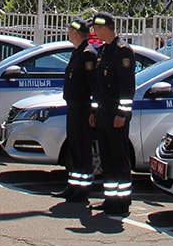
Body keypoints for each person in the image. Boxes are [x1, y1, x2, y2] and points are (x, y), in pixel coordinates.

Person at [89, 12, 135, 216]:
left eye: (97, 29)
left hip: (116, 115)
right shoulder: (103, 51)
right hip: (103, 114)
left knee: (118, 158)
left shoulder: (122, 51)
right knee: (107, 158)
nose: (95, 32)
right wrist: (93, 111)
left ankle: (122, 201)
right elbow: (99, 87)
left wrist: (122, 114)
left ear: (105, 28)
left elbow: (127, 89)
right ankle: (110, 198)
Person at [54, 18, 97, 202]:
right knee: (74, 149)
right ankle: (73, 185)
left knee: (82, 149)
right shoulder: (77, 52)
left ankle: (83, 189)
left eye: (70, 30)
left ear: (76, 32)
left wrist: (93, 111)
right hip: (73, 107)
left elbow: (93, 85)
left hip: (83, 109)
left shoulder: (88, 54)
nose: (68, 33)